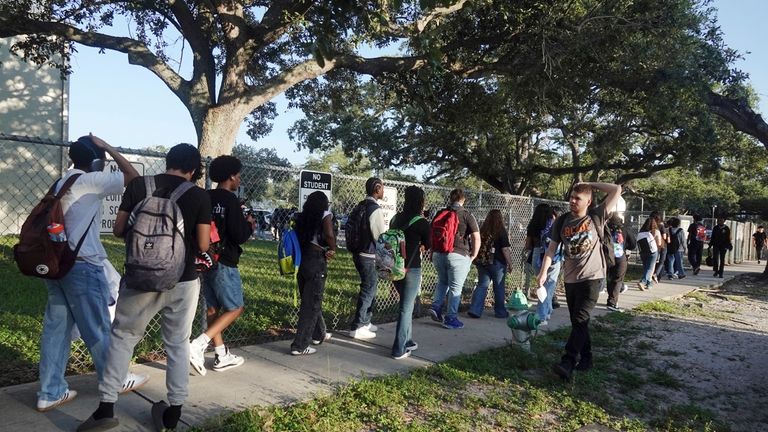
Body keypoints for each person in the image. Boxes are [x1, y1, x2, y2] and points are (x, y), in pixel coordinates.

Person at [78, 143, 211, 432]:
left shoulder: (140, 185)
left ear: (168, 162)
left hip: (139, 278)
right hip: (183, 280)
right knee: (177, 343)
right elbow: (202, 245)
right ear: (192, 169)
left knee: (123, 337)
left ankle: (105, 410)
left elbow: (117, 229)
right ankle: (173, 414)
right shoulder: (199, 195)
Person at [35, 135, 145, 413]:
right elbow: (133, 177)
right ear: (96, 160)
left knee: (56, 330)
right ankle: (116, 379)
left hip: (57, 265)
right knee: (97, 327)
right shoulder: (89, 180)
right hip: (83, 266)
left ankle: (50, 391)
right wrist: (109, 146)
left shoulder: (62, 182)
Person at [536, 182, 621, 381]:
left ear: (588, 201)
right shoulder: (562, 221)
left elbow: (616, 189)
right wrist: (542, 273)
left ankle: (568, 361)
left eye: (578, 198)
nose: (572, 201)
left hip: (593, 277)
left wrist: (590, 184)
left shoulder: (596, 215)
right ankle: (587, 358)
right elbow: (551, 250)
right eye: (571, 198)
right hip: (571, 278)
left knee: (580, 318)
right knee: (578, 321)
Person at [189, 156, 255, 375]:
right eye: (238, 175)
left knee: (212, 307)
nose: (239, 179)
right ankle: (198, 344)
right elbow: (239, 235)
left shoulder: (206, 196)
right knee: (236, 307)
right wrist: (249, 224)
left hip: (206, 259)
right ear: (231, 177)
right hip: (225, 260)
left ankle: (221, 354)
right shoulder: (231, 200)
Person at [290, 191, 337, 355]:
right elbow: (329, 234)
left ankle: (319, 334)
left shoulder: (301, 217)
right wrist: (333, 248)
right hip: (317, 260)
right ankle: (300, 345)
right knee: (311, 304)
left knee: (310, 299)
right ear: (324, 204)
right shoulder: (325, 215)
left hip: (302, 259)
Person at [429, 189, 480, 330]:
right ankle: (450, 318)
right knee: (455, 288)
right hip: (458, 255)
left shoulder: (440, 214)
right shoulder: (466, 215)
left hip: (439, 254)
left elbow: (432, 234)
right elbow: (476, 236)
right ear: (463, 200)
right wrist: (473, 255)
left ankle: (436, 307)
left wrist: (432, 251)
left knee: (443, 281)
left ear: (450, 199)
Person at [390, 186, 431, 359]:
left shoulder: (395, 218)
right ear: (420, 202)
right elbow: (428, 243)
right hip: (411, 268)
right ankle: (399, 349)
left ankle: (407, 340)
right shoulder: (421, 222)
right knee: (406, 309)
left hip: (394, 267)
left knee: (407, 305)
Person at [349, 177, 387, 339]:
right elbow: (380, 236)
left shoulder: (360, 206)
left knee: (370, 287)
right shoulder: (374, 209)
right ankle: (358, 326)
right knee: (369, 288)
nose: (383, 191)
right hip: (368, 254)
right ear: (377, 189)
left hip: (357, 253)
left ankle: (366, 321)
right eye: (382, 188)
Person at [468, 209, 514, 320]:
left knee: (482, 285)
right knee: (498, 287)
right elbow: (505, 249)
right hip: (497, 263)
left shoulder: (482, 230)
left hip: (483, 262)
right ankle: (500, 312)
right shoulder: (501, 231)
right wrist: (510, 263)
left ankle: (475, 310)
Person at [524, 204, 562, 325]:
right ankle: (542, 316)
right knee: (548, 286)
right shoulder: (554, 224)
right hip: (553, 256)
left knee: (542, 285)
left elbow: (528, 245)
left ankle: (548, 310)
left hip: (537, 254)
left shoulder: (533, 224)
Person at [606, 213, 636, 312]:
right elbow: (632, 244)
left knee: (610, 277)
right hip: (620, 257)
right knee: (617, 279)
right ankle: (612, 302)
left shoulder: (604, 229)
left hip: (606, 256)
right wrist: (626, 246)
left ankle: (611, 298)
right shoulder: (625, 229)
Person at [636, 216, 662, 291]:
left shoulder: (640, 233)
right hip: (652, 251)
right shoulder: (653, 232)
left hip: (643, 252)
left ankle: (649, 283)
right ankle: (642, 282)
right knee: (650, 268)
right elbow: (659, 243)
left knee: (646, 268)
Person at [653, 213, 669, 283]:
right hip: (662, 244)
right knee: (662, 261)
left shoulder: (653, 226)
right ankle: (656, 274)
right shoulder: (661, 226)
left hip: (654, 244)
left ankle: (655, 274)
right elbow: (665, 237)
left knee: (654, 261)